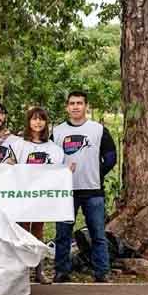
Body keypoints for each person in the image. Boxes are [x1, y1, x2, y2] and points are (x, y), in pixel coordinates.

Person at [52, 91, 117, 283]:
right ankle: (61, 271)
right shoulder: (57, 132)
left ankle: (102, 272)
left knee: (98, 234)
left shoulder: (98, 130)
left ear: (86, 106)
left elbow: (111, 156)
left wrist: (97, 172)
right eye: (72, 103)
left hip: (93, 190)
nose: (75, 106)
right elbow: (49, 160)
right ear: (67, 107)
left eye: (79, 103)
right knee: (62, 234)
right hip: (65, 192)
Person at [13, 107, 67, 285]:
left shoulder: (54, 149)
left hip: (40, 196)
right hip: (21, 194)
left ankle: (39, 270)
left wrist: (66, 171)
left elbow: (58, 171)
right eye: (34, 119)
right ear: (29, 122)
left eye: (41, 119)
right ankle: (20, 271)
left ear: (46, 123)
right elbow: (11, 165)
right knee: (21, 231)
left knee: (37, 231)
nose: (38, 122)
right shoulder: (19, 144)